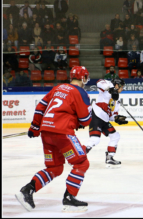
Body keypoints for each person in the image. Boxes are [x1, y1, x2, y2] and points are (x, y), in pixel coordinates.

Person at [15, 66, 92, 212]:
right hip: (63, 134)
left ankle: (27, 191)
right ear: (83, 78)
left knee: (55, 167)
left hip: (46, 132)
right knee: (82, 163)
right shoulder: (80, 92)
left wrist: (35, 126)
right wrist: (78, 122)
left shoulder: (58, 88)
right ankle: (69, 198)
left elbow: (41, 106)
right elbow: (86, 119)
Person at [85, 78, 128, 168]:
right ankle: (77, 157)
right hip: (96, 116)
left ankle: (110, 157)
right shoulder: (108, 86)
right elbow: (99, 82)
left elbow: (112, 115)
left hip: (105, 120)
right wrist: (111, 89)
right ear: (117, 85)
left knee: (115, 135)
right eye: (122, 87)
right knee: (95, 139)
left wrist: (117, 119)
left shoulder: (117, 100)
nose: (122, 89)